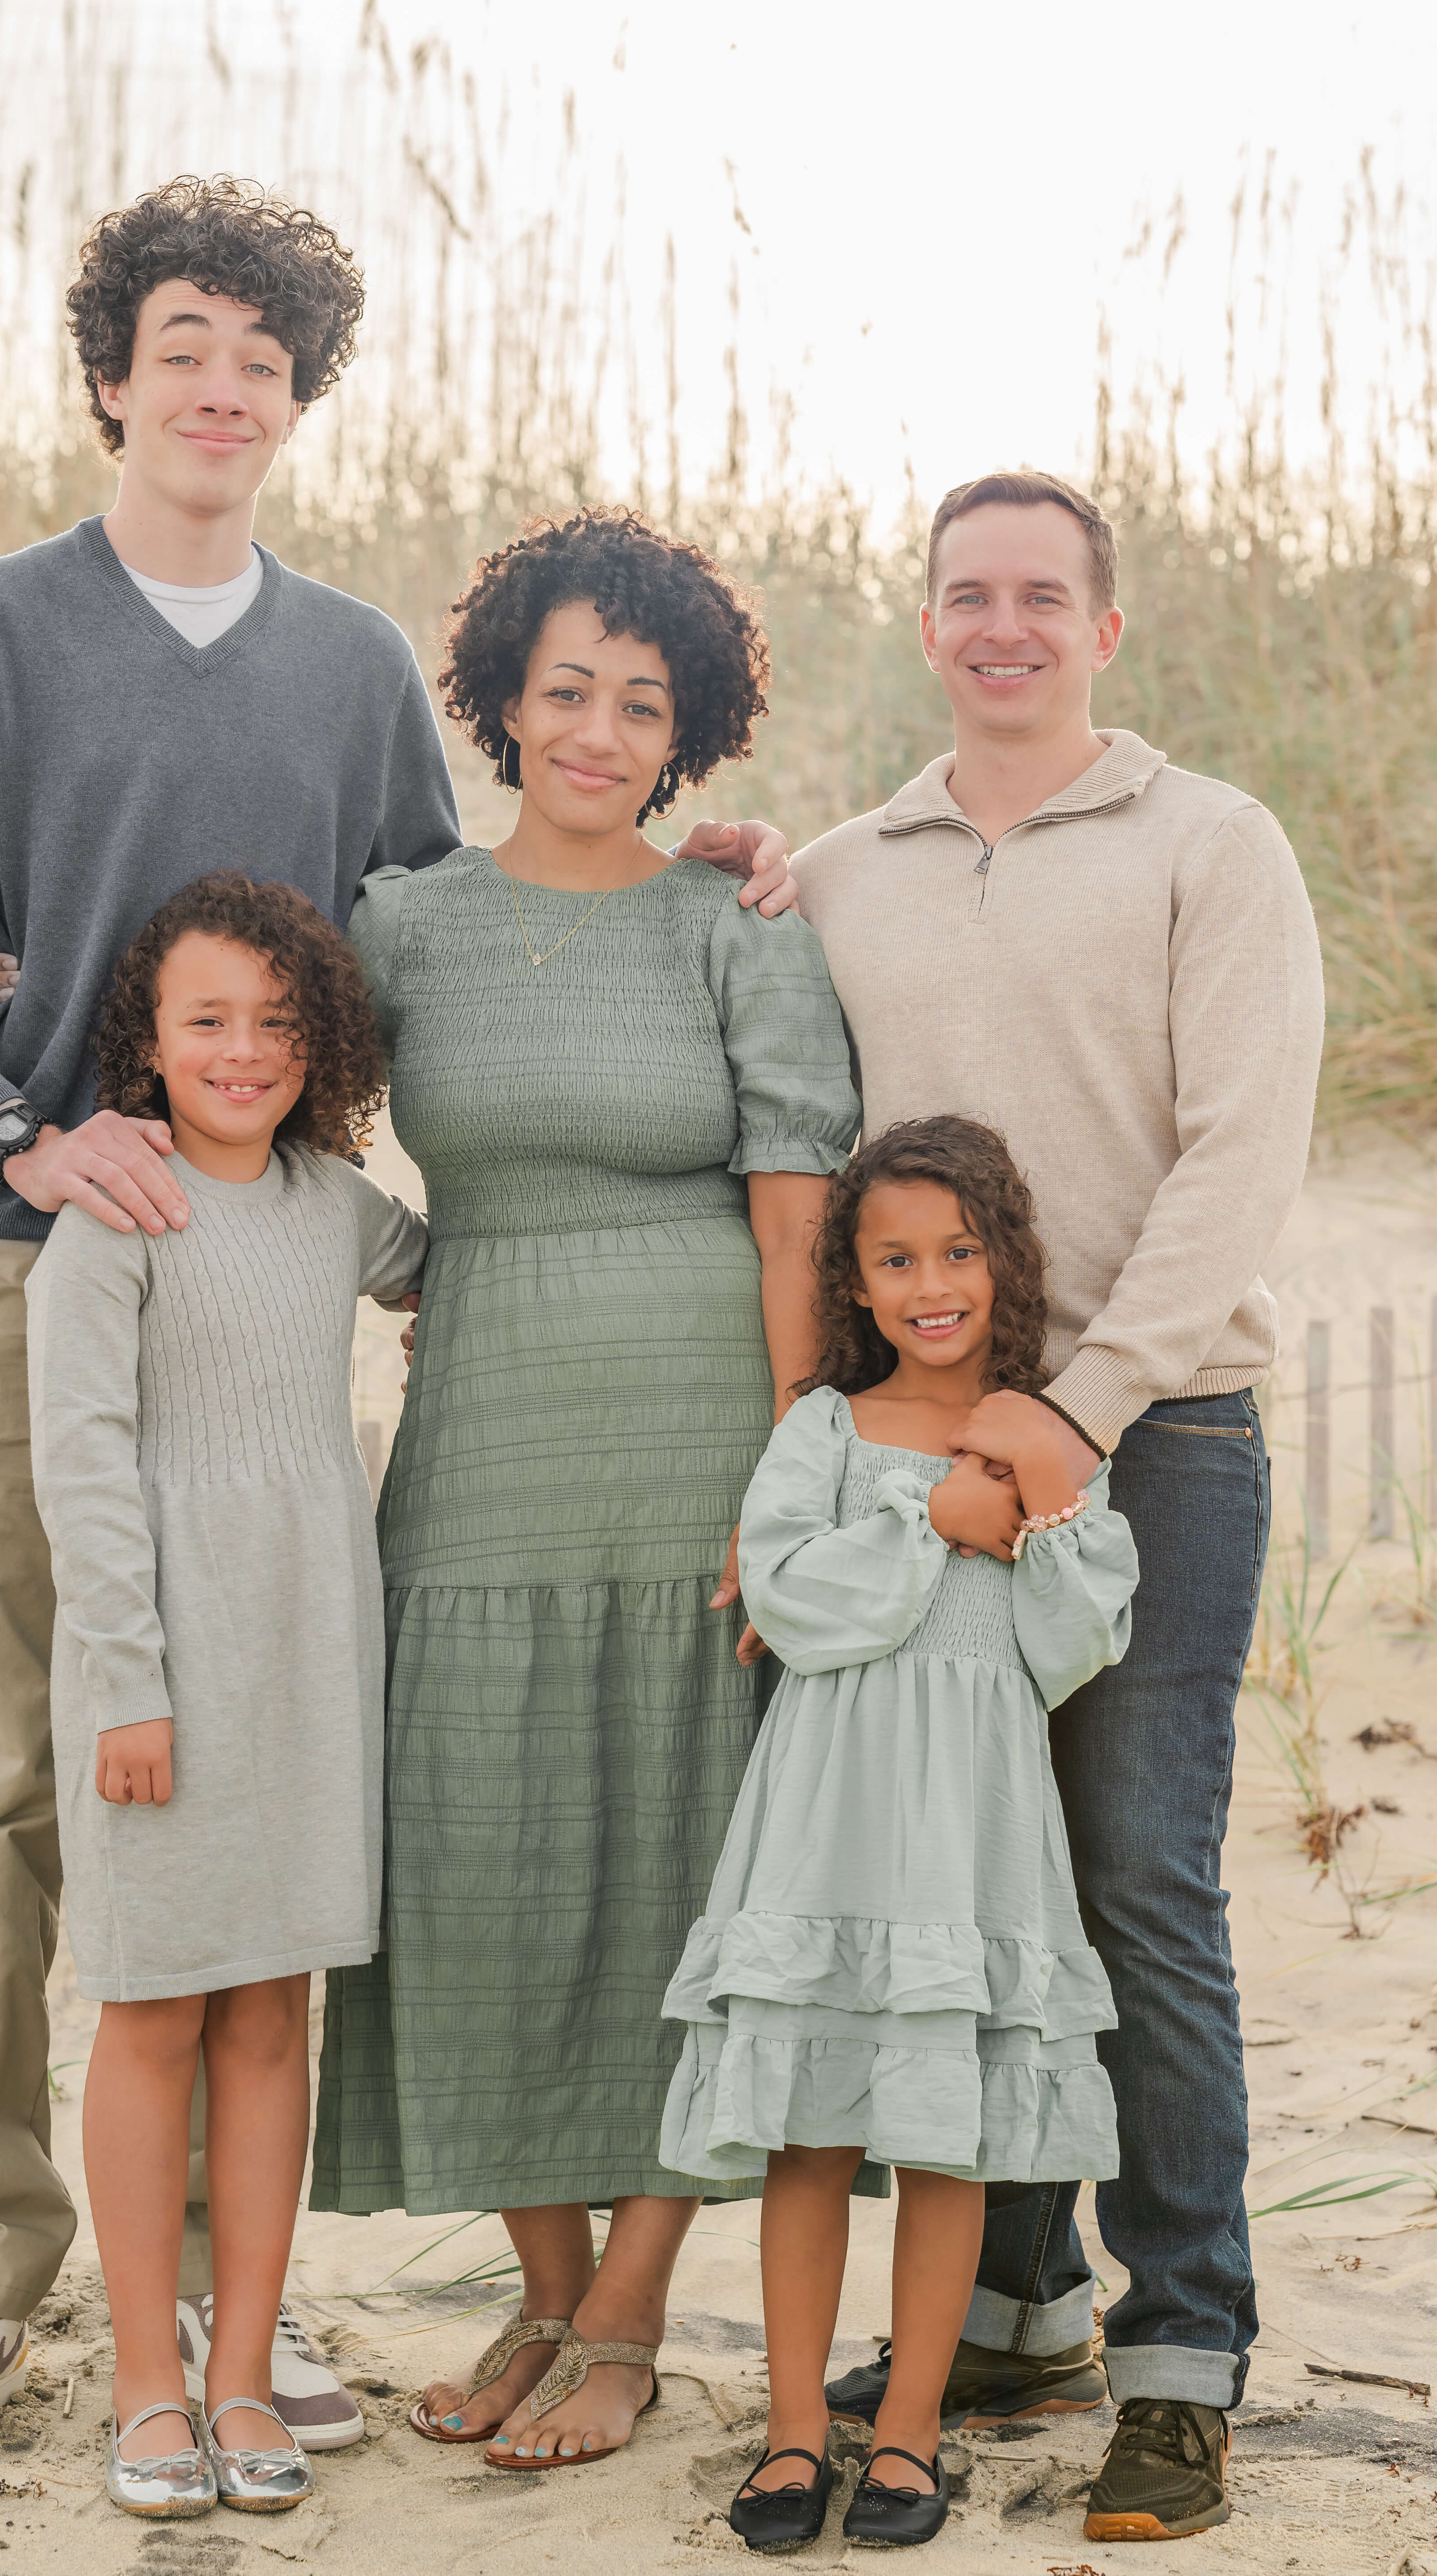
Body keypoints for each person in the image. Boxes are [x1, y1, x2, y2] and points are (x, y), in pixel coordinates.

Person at [0, 171, 792, 2469]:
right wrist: (24, 1127)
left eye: (263, 358)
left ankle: (227, 2307)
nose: (220, 387)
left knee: (256, 1800)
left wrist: (721, 855)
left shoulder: (353, 660)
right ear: (108, 373)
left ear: (297, 399)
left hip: (271, 1293)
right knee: (1, 1780)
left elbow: (434, 928)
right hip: (30, 1270)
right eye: (183, 345)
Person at [779, 470, 1325, 2545]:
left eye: (1042, 596)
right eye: (964, 596)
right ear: (926, 625)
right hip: (926, 1452)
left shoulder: (1215, 845)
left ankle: (1184, 2349)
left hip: (1160, 1438)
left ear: (1108, 625)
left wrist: (1077, 1412)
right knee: (966, 1877)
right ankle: (1016, 2300)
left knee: (1129, 1878)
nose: (1001, 625)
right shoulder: (849, 866)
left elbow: (1241, 1150)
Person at [309, 507, 858, 2471]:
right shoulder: (404, 922)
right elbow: (268, 1118)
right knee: (469, 1860)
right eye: (568, 690)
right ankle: (541, 2291)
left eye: (643, 701)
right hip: (476, 1444)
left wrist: (790, 1485)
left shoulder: (737, 925)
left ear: (686, 725)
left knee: (676, 1873)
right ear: (503, 702)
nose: (601, 731)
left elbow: (801, 1227)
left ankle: (627, 2309)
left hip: (700, 1432)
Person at [662, 1117, 1136, 2551]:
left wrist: (1035, 1504)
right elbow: (794, 1602)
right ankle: (797, 2426)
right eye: (894, 1259)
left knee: (945, 2140)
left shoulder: (1046, 1439)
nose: (931, 1282)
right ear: (855, 1286)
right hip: (829, 1823)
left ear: (1005, 1263)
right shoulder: (822, 1426)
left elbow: (1073, 1644)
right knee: (809, 2134)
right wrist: (933, 1520)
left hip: (972, 1834)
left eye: (958, 1251)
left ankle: (913, 2431)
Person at [25, 875, 424, 2516]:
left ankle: (246, 2371)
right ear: (150, 1036)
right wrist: (128, 1681)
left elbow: (459, 1267)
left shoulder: (337, 1202)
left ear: (318, 1034)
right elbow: (84, 1464)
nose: (244, 1049)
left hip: (313, 1655)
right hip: (163, 1667)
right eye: (207, 1019)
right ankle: (144, 2383)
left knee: (275, 2013)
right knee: (156, 2005)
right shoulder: (111, 1214)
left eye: (277, 1018)